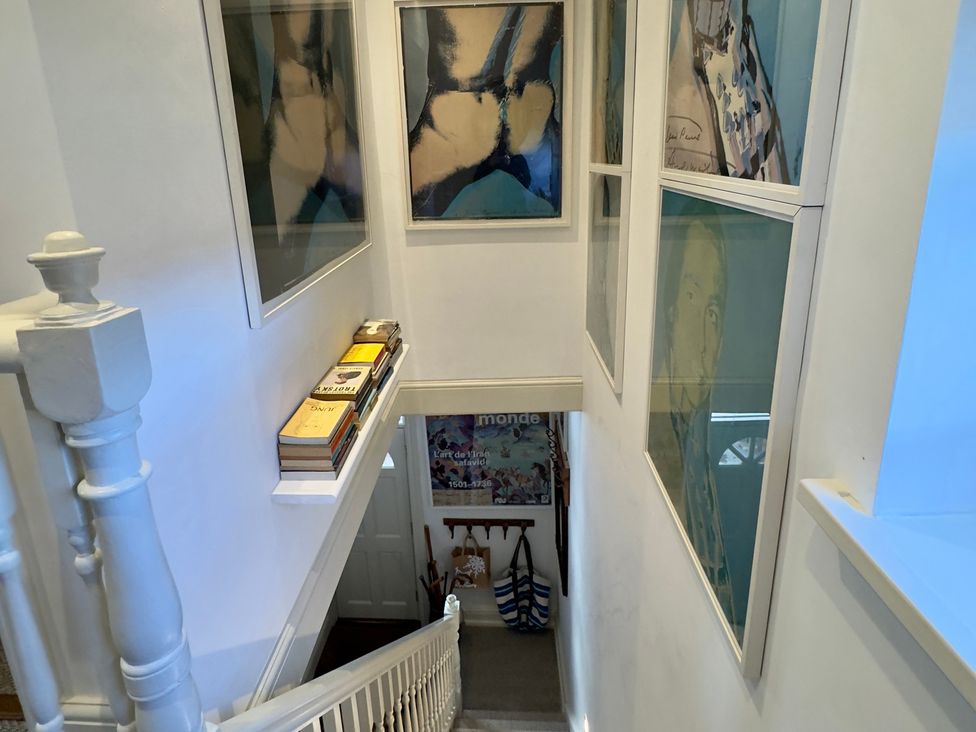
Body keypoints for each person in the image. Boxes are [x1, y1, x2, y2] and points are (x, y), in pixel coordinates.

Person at [648, 208, 737, 631]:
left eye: (714, 312)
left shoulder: (701, 436)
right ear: (667, 310)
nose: (706, 339)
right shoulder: (657, 445)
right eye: (690, 298)